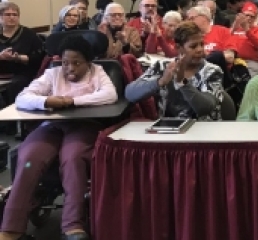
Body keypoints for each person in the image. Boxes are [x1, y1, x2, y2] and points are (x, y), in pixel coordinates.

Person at [2, 35, 117, 240]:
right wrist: (47, 100)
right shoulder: (52, 73)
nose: (69, 68)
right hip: (53, 126)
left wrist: (70, 101)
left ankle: (72, 225)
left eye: (76, 63)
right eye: (65, 62)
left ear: (88, 62)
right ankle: (10, 228)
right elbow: (23, 97)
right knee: (29, 158)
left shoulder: (97, 72)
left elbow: (109, 95)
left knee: (72, 158)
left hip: (85, 126)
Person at [126, 21, 225, 120]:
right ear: (178, 47)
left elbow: (205, 108)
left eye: (202, 44)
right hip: (168, 129)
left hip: (204, 129)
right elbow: (130, 94)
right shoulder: (162, 67)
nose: (200, 50)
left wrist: (182, 82)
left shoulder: (212, 71)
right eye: (193, 46)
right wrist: (160, 81)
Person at [227, 2, 258, 77]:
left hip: (250, 63)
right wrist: (234, 26)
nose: (249, 18)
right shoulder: (235, 28)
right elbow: (225, 39)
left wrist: (247, 30)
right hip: (232, 62)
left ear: (255, 19)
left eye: (252, 16)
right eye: (247, 15)